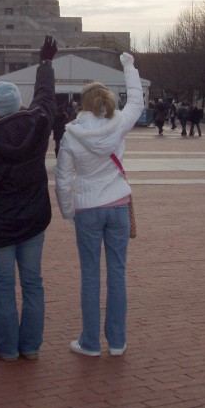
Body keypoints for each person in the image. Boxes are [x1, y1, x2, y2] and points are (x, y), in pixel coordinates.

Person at [0, 35, 57, 361]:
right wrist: (45, 64)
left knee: (4, 287)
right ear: (19, 104)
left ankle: (6, 349)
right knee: (33, 284)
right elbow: (45, 97)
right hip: (33, 222)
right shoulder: (38, 126)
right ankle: (30, 347)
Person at [54, 52, 144, 357]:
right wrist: (129, 68)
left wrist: (68, 210)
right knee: (117, 273)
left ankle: (90, 342)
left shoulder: (71, 135)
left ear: (82, 104)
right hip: (118, 204)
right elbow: (136, 102)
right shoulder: (119, 125)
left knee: (90, 275)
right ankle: (117, 342)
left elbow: (63, 179)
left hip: (88, 208)